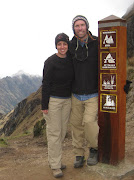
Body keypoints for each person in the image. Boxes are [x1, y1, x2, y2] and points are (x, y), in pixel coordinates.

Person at [41, 33, 74, 178]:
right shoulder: (50, 62)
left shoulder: (70, 60)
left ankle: (56, 160)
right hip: (53, 101)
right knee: (54, 133)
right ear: (56, 45)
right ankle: (55, 166)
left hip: (67, 100)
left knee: (62, 133)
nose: (62, 47)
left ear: (68, 45)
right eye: (59, 44)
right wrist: (44, 105)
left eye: (64, 44)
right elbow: (46, 83)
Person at [69, 15, 99, 168]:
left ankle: (94, 149)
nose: (80, 28)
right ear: (73, 28)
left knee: (89, 123)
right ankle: (79, 154)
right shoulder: (70, 46)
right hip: (76, 94)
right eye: (76, 26)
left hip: (93, 93)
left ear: (87, 26)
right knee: (76, 125)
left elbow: (112, 61)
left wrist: (121, 81)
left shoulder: (97, 43)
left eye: (82, 25)